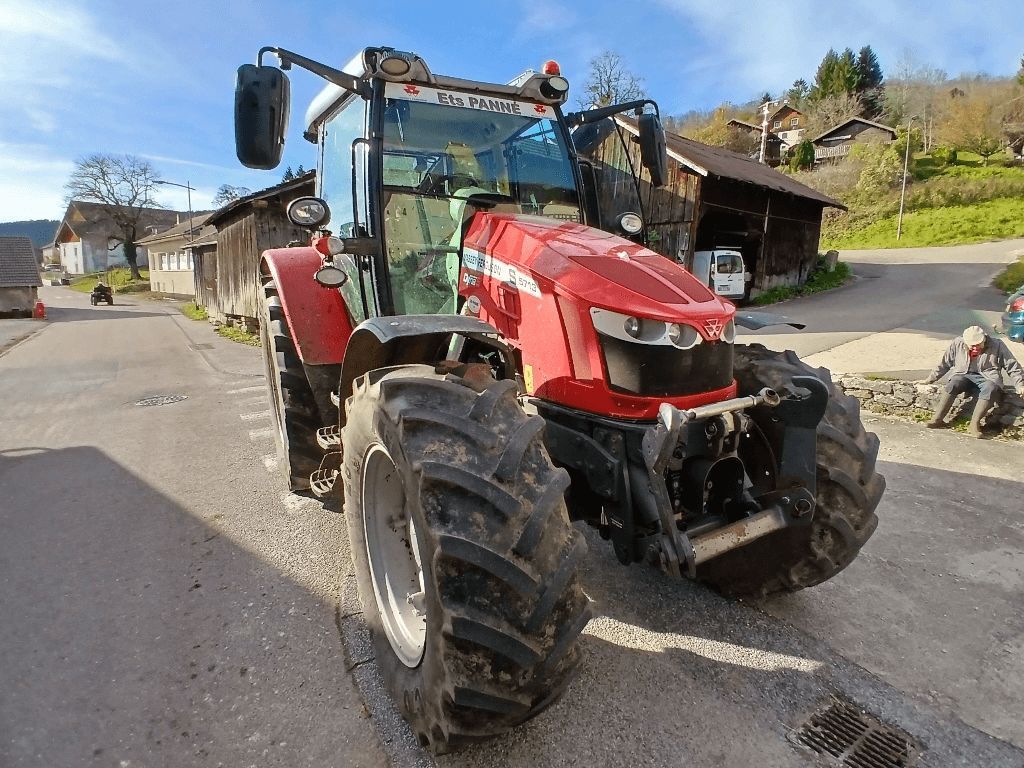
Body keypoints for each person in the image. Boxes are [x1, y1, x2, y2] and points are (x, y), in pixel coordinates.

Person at [921, 325, 1024, 437]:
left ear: (984, 339)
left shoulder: (997, 345)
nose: (975, 348)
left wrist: (1019, 385)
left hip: (987, 377)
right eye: (971, 345)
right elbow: (944, 363)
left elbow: (1013, 367)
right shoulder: (957, 343)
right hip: (963, 374)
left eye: (978, 344)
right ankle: (937, 419)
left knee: (991, 388)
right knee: (953, 383)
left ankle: (974, 424)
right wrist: (930, 379)